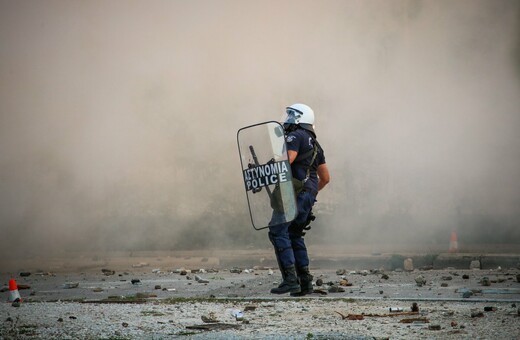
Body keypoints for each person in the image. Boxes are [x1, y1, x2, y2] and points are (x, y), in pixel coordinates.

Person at [268, 103, 330, 295]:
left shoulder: (295, 136)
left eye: (290, 114)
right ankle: (305, 283)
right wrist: (310, 195)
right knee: (295, 234)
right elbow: (325, 178)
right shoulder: (315, 144)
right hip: (309, 193)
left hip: (293, 192)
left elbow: (288, 159)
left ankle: (290, 280)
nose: (286, 118)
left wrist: (268, 168)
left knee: (278, 231)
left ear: (298, 118)